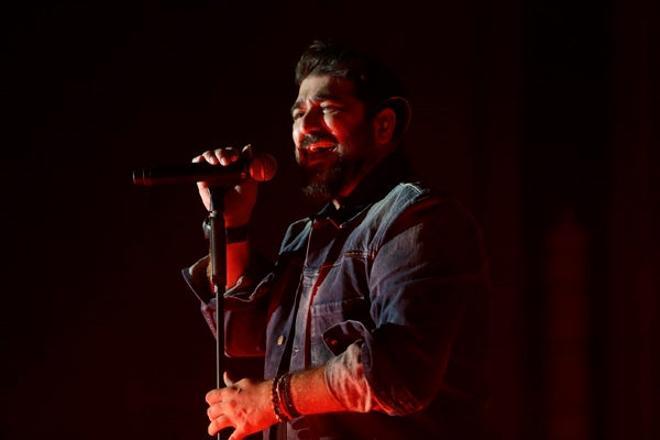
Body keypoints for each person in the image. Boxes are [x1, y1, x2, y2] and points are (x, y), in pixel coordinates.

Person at [183, 40, 489, 440]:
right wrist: (231, 223)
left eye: (327, 110)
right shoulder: (309, 235)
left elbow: (399, 373)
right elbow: (243, 334)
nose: (307, 127)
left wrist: (271, 400)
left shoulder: (418, 220)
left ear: (383, 124)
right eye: (299, 114)